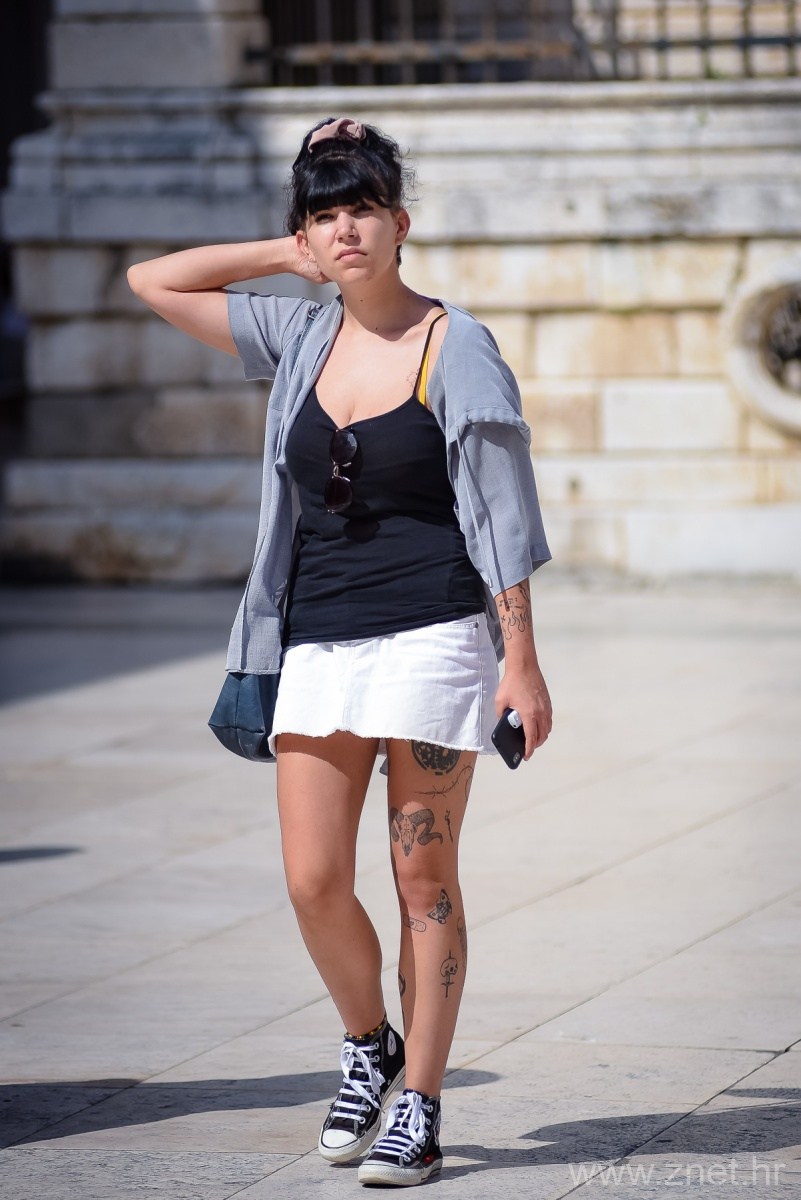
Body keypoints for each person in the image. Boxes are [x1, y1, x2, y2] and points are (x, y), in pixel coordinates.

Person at [127, 115, 552, 1188]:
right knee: (313, 878)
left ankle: (422, 1105)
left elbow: (499, 512)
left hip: (434, 636)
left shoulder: (455, 345)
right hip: (317, 638)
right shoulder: (298, 335)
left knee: (422, 877)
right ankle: (370, 1045)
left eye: (362, 208)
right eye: (325, 215)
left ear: (401, 223)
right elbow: (152, 281)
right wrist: (286, 254)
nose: (345, 229)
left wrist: (521, 659)